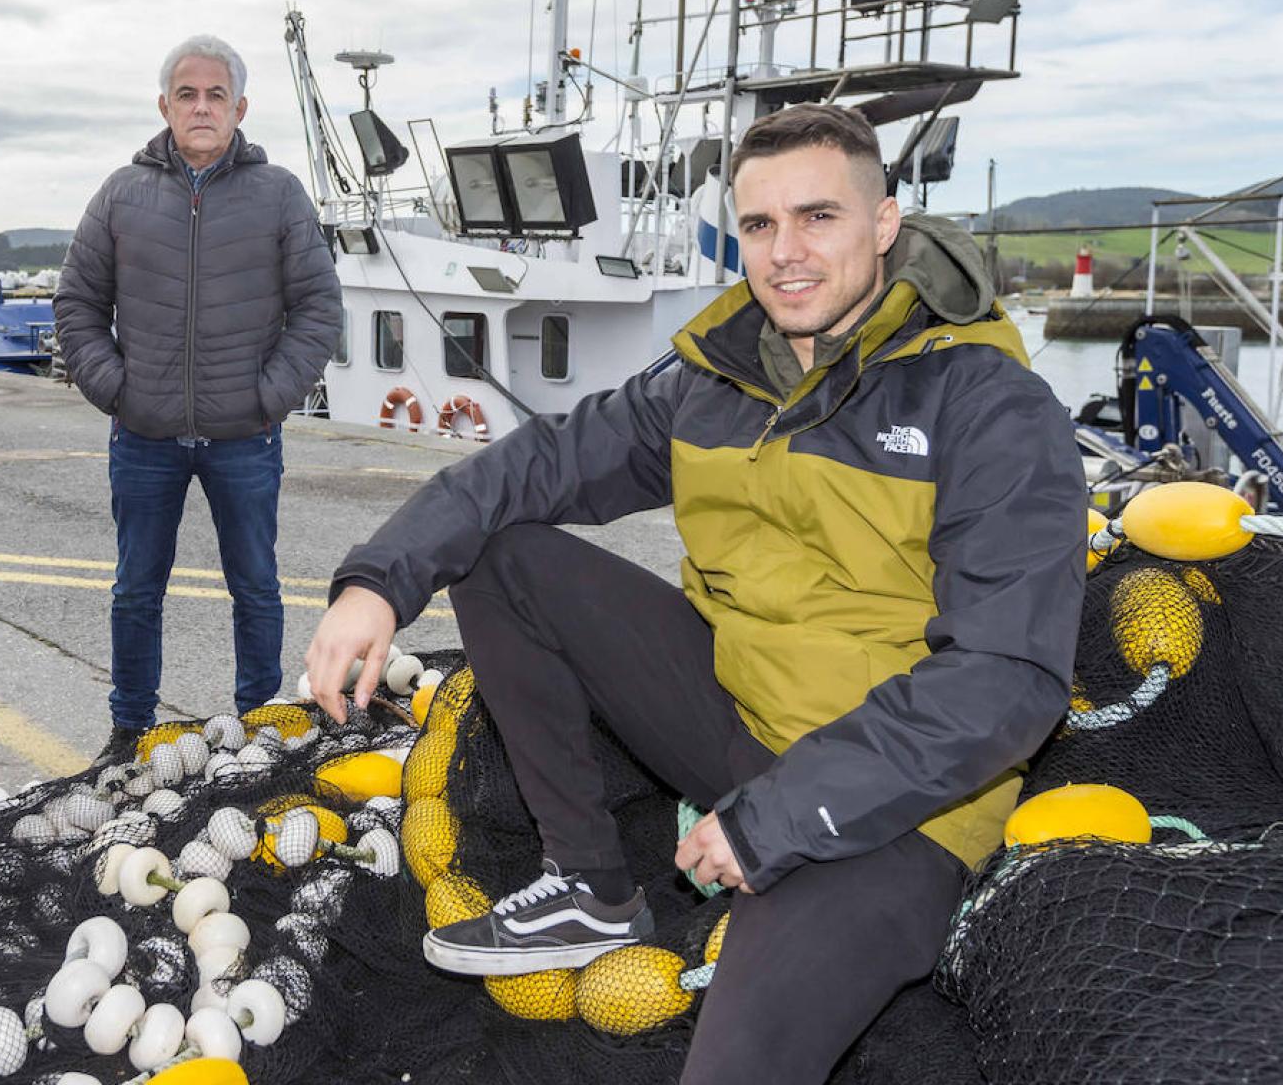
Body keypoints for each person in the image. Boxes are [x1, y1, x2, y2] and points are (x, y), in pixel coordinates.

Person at [304, 103, 1083, 1082]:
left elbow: (1008, 679)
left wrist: (780, 818)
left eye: (818, 217)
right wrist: (378, 584)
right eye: (759, 226)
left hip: (897, 803)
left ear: (885, 224)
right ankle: (589, 883)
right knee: (505, 550)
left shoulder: (986, 403)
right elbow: (535, 464)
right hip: (737, 727)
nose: (785, 252)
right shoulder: (716, 382)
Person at [55, 34, 341, 760]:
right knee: (134, 591)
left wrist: (268, 397)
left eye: (217, 95)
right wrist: (119, 390)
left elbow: (318, 309)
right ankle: (128, 729)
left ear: (240, 108)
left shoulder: (278, 194)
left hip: (245, 436)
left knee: (256, 587)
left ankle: (260, 727)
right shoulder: (123, 192)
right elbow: (77, 303)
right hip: (143, 436)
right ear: (165, 106)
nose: (202, 106)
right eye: (188, 94)